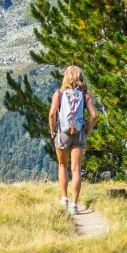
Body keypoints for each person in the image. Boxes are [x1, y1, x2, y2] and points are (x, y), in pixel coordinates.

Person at [48, 65, 98, 215]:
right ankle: (74, 205)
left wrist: (52, 131)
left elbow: (51, 114)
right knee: (76, 169)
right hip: (79, 133)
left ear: (66, 77)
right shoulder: (85, 95)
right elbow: (94, 116)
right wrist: (87, 131)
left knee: (62, 165)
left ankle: (64, 199)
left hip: (62, 132)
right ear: (80, 77)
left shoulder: (59, 94)